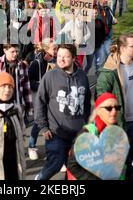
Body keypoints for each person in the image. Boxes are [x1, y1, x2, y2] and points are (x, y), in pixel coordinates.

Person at [95, 34, 133, 180]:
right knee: (123, 158)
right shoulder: (109, 71)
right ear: (122, 48)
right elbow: (101, 95)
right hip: (120, 122)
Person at [34, 44, 92, 180]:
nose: (61, 59)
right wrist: (43, 127)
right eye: (59, 56)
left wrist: (88, 125)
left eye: (65, 56)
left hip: (78, 133)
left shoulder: (82, 76)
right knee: (55, 164)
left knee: (76, 172)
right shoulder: (49, 77)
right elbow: (40, 101)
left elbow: (87, 102)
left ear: (73, 58)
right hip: (56, 133)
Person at [66, 93, 124, 180]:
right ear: (98, 110)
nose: (114, 111)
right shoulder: (87, 133)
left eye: (117, 108)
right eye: (109, 108)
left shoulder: (118, 132)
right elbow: (73, 165)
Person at [0, 44, 33, 122]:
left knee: (16, 131)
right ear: (5, 50)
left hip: (16, 105)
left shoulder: (22, 65)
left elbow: (26, 88)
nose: (15, 54)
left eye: (17, 51)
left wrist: (29, 108)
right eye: (12, 52)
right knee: (2, 130)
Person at [27, 39, 57, 160]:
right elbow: (29, 81)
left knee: (51, 123)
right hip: (40, 97)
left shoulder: (56, 61)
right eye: (53, 49)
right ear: (46, 49)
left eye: (56, 48)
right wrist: (41, 86)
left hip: (52, 96)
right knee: (39, 123)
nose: (55, 51)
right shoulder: (36, 63)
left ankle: (50, 150)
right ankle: (31, 146)